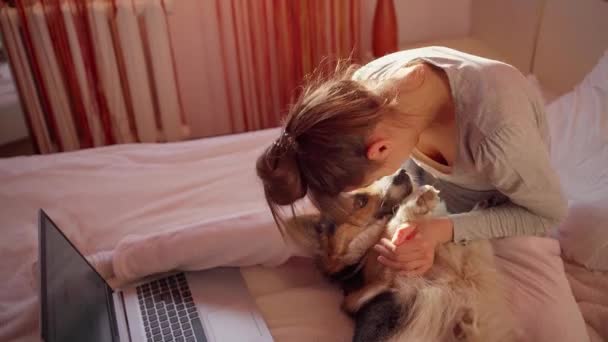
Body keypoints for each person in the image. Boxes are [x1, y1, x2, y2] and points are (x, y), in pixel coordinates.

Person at [255, 46, 567, 276]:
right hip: (441, 193)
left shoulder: (499, 139)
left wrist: (441, 231)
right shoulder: (369, 85)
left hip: (505, 211)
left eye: (367, 180)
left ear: (379, 150)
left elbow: (549, 215)